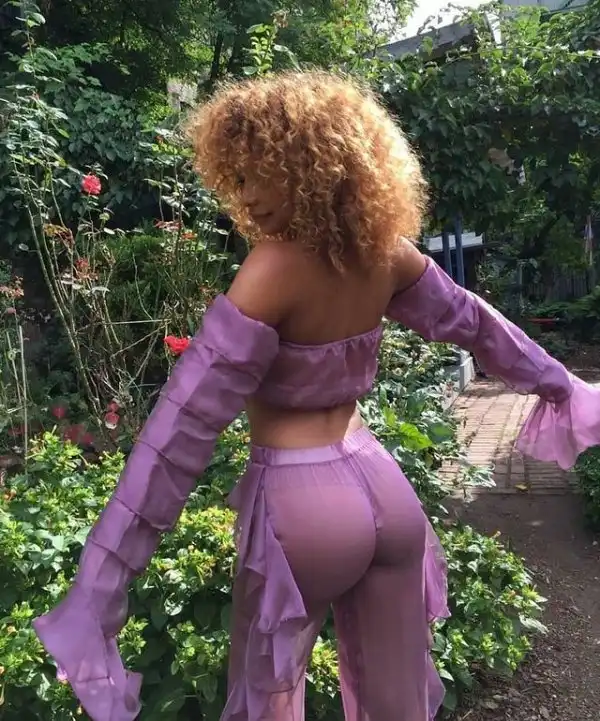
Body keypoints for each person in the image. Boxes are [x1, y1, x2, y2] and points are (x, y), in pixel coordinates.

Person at [33, 70, 600, 721]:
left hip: (300, 508)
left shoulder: (272, 268)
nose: (247, 196)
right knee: (397, 705)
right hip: (385, 492)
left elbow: (179, 433)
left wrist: (99, 586)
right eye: (237, 178)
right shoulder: (387, 254)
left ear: (311, 165)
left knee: (265, 701)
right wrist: (563, 387)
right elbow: (478, 326)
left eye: (261, 173)